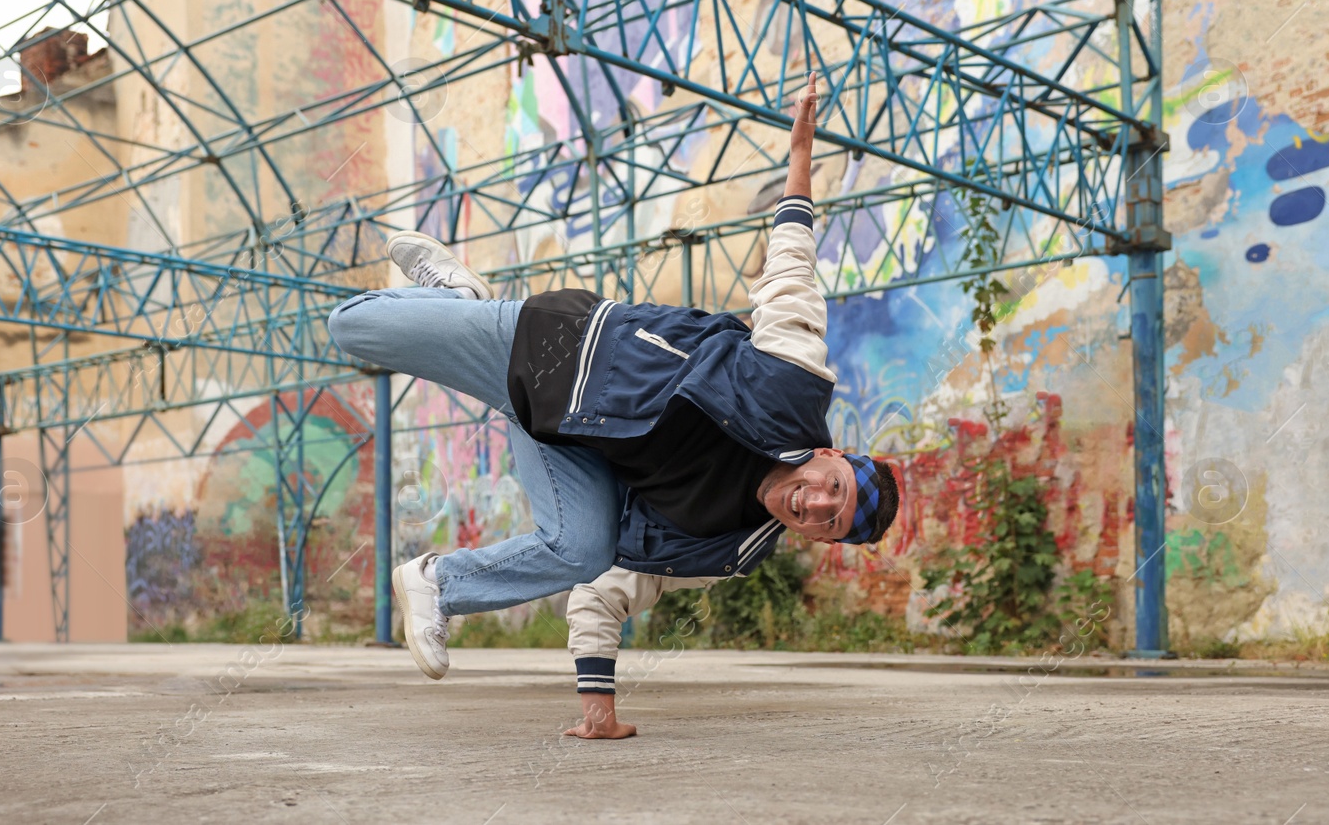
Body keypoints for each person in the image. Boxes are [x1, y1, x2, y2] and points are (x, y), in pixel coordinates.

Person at [327, 70, 900, 710]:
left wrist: (597, 701)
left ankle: (437, 582)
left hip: (566, 446)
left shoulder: (731, 545)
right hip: (558, 354)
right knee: (349, 328)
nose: (817, 505)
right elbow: (792, 268)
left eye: (831, 522)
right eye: (835, 490)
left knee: (584, 548)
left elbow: (623, 581)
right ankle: (458, 298)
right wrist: (799, 158)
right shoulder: (791, 387)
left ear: (820, 540)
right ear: (832, 456)